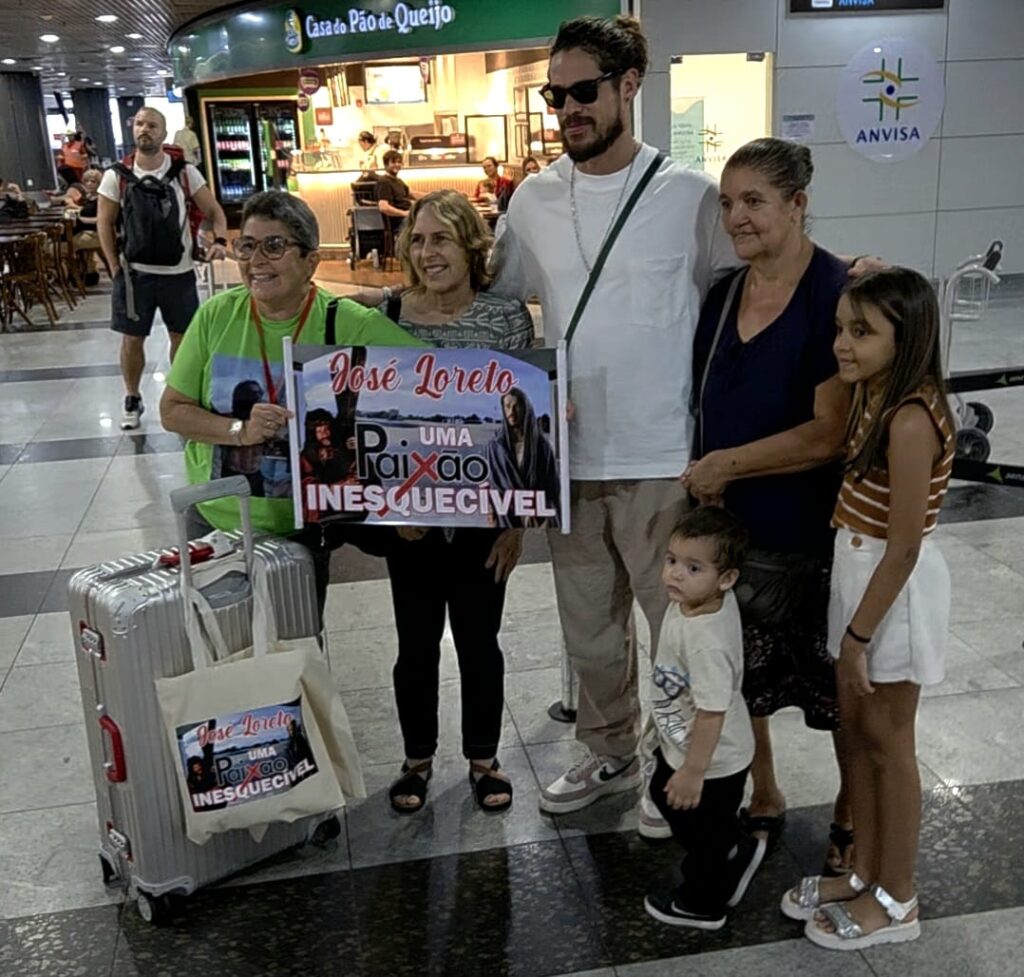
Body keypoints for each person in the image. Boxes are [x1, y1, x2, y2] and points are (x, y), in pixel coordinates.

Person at [491, 15, 737, 820]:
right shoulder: (530, 199)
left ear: (630, 85)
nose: (568, 109)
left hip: (665, 457)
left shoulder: (691, 198)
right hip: (568, 457)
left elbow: (753, 296)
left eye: (584, 92)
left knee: (677, 634)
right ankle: (606, 752)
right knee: (590, 632)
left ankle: (678, 772)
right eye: (554, 95)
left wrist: (852, 277)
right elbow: (489, 309)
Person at [683, 138, 855, 871]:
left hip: (808, 529)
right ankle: (765, 784)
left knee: (835, 686)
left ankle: (851, 815)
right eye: (727, 202)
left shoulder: (838, 295)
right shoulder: (724, 294)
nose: (737, 217)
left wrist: (727, 462)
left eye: (754, 200)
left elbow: (829, 432)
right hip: (733, 530)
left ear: (798, 204)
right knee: (737, 668)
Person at [784, 267, 954, 951]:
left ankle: (898, 894)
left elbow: (906, 547)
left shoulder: (912, 418)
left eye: (861, 331)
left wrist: (858, 636)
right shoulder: (873, 394)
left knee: (889, 745)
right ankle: (863, 871)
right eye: (839, 328)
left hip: (891, 592)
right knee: (857, 738)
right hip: (858, 575)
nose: (842, 345)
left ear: (905, 337)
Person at [159, 190, 422, 613]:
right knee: (214, 654)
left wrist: (543, 395)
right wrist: (238, 430)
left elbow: (439, 380)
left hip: (298, 531)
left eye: (274, 246)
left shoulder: (347, 322)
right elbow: (173, 410)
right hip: (214, 521)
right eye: (247, 245)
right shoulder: (217, 315)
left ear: (311, 261)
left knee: (298, 658)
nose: (256, 260)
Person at [368, 189, 533, 816]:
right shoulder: (389, 313)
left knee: (479, 640)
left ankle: (484, 758)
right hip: (410, 519)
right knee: (414, 644)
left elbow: (524, 419)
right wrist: (392, 509)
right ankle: (416, 758)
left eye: (441, 238)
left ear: (471, 244)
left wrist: (517, 521)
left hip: (484, 516)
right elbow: (374, 414)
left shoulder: (506, 318)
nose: (428, 251)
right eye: (418, 239)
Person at [643, 506, 765, 930]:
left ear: (727, 579)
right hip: (685, 742)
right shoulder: (700, 600)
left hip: (712, 760)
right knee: (665, 795)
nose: (675, 574)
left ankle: (703, 902)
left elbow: (713, 713)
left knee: (703, 837)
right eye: (672, 560)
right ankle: (735, 846)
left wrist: (695, 771)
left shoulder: (706, 643)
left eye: (693, 567)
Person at [98, 107, 229, 430]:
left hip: (178, 273)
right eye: (140, 124)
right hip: (134, 275)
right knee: (132, 339)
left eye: (152, 125)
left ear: (163, 132)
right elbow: (105, 222)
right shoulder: (116, 175)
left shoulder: (185, 173)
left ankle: (181, 394)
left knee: (182, 338)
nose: (145, 129)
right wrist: (114, 266)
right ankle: (132, 396)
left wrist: (221, 240)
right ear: (133, 130)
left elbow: (214, 210)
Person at [485, 387, 560, 528]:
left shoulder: (542, 447)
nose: (511, 412)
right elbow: (494, 484)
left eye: (516, 407)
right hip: (506, 517)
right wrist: (491, 512)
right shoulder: (496, 446)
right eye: (507, 407)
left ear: (524, 409)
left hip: (537, 518)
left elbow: (552, 487)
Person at [70, 169, 104, 284]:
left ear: (99, 183)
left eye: (93, 181)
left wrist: (81, 220)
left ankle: (73, 274)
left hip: (96, 234)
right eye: (87, 181)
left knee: (64, 246)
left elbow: (100, 219)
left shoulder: (101, 199)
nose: (89, 184)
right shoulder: (88, 197)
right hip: (84, 231)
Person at [375, 149, 417, 239]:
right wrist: (405, 213)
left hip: (408, 216)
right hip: (400, 221)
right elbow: (383, 207)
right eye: (393, 162)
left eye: (399, 162)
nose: (397, 165)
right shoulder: (384, 182)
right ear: (386, 165)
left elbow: (412, 194)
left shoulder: (398, 181)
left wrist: (433, 195)